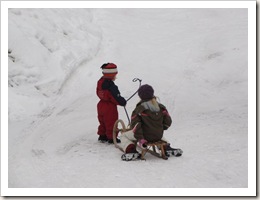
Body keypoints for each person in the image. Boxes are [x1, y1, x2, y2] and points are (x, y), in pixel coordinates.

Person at [120, 84, 183, 161]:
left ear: (140, 96)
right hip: (158, 135)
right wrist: (161, 127)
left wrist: (140, 139)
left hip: (144, 136)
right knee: (154, 132)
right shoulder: (160, 107)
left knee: (123, 136)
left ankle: (131, 150)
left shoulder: (139, 109)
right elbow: (168, 121)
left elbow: (136, 125)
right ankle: (166, 147)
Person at [96, 63, 126, 143]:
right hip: (109, 107)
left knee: (102, 121)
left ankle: (102, 135)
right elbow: (115, 97)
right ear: (111, 75)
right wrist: (122, 102)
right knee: (111, 122)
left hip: (101, 105)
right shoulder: (111, 86)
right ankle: (112, 138)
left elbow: (98, 92)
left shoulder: (100, 82)